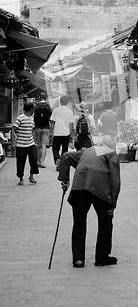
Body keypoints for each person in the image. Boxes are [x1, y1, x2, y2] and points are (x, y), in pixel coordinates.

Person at [57, 135, 121, 268]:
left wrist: (64, 178)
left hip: (79, 186)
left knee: (79, 223)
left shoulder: (86, 151)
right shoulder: (111, 153)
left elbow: (66, 156)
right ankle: (101, 258)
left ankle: (78, 259)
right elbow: (114, 180)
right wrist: (112, 204)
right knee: (105, 223)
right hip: (99, 188)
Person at [12, 101, 39, 185]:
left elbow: (33, 130)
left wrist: (35, 142)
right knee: (20, 162)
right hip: (21, 144)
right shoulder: (20, 118)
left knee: (34, 160)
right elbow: (13, 130)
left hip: (31, 144)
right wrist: (13, 142)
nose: (34, 110)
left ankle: (31, 176)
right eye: (33, 109)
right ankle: (21, 178)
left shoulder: (32, 119)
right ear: (31, 109)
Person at [49, 95, 75, 169]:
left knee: (55, 149)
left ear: (60, 102)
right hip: (66, 133)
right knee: (64, 150)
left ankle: (57, 159)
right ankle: (62, 163)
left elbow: (52, 123)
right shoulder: (70, 112)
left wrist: (51, 132)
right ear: (67, 102)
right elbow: (71, 124)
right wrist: (71, 135)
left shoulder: (55, 111)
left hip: (57, 133)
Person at [34, 92, 52, 168]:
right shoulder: (48, 107)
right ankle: (42, 161)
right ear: (46, 98)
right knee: (44, 145)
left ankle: (38, 161)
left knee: (38, 145)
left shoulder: (36, 106)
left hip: (37, 127)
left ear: (39, 97)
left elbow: (33, 116)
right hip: (46, 127)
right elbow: (50, 117)